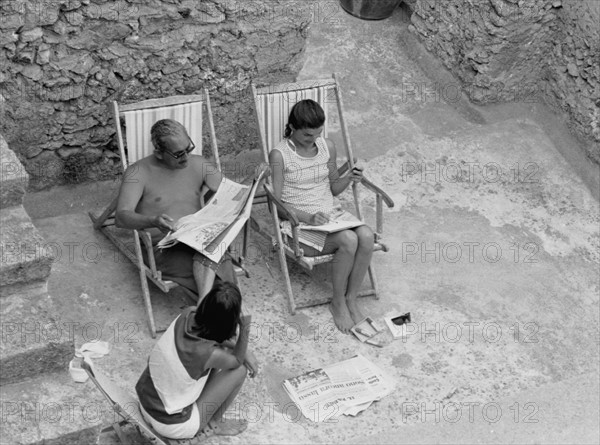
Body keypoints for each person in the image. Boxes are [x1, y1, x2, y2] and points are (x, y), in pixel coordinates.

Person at [269, 99, 374, 334]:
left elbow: (334, 188)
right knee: (349, 240)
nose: (313, 139)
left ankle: (351, 299)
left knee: (366, 235)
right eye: (307, 135)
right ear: (292, 128)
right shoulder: (280, 155)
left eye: (317, 134)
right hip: (298, 225)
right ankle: (337, 302)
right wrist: (307, 217)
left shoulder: (327, 146)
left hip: (331, 216)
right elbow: (275, 205)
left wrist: (351, 177)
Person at [115, 119, 236, 301]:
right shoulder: (138, 173)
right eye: (179, 154)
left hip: (200, 238)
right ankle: (222, 311)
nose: (186, 158)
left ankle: (214, 310)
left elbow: (232, 193)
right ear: (159, 153)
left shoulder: (198, 163)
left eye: (189, 149)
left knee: (216, 259)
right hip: (165, 247)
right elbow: (121, 217)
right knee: (219, 275)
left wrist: (255, 180)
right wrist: (152, 221)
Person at [135, 281, 257, 439]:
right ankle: (214, 423)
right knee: (239, 371)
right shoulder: (209, 354)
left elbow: (215, 336)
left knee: (222, 351)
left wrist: (244, 350)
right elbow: (237, 361)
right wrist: (245, 328)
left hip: (145, 404)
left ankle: (203, 413)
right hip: (171, 425)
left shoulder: (188, 314)